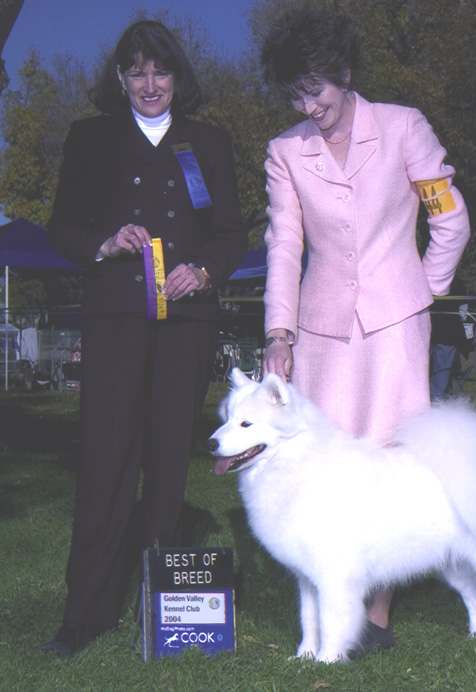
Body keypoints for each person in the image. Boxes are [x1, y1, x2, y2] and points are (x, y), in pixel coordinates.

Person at [260, 10, 470, 656]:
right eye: (296, 93)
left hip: (396, 331)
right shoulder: (284, 153)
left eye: (317, 88)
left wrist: (421, 290)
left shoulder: (405, 126)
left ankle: (377, 618)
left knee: (393, 464)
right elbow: (284, 245)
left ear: (345, 73)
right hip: (320, 334)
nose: (308, 105)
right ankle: (336, 611)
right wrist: (279, 332)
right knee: (327, 471)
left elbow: (451, 219)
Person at [42, 20, 247, 657]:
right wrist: (102, 244)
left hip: (186, 325)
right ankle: (87, 611)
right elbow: (61, 228)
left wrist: (204, 271)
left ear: (178, 78)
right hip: (116, 323)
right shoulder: (91, 138)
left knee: (165, 467)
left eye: (160, 71)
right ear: (120, 78)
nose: (149, 84)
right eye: (136, 72)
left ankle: (158, 607)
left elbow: (232, 233)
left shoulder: (207, 142)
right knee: (105, 463)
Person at [429, 276, 469, 399]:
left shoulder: (426, 278)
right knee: (442, 374)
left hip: (432, 332)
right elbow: (463, 309)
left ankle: (435, 403)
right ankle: (436, 403)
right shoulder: (456, 281)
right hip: (446, 333)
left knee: (435, 373)